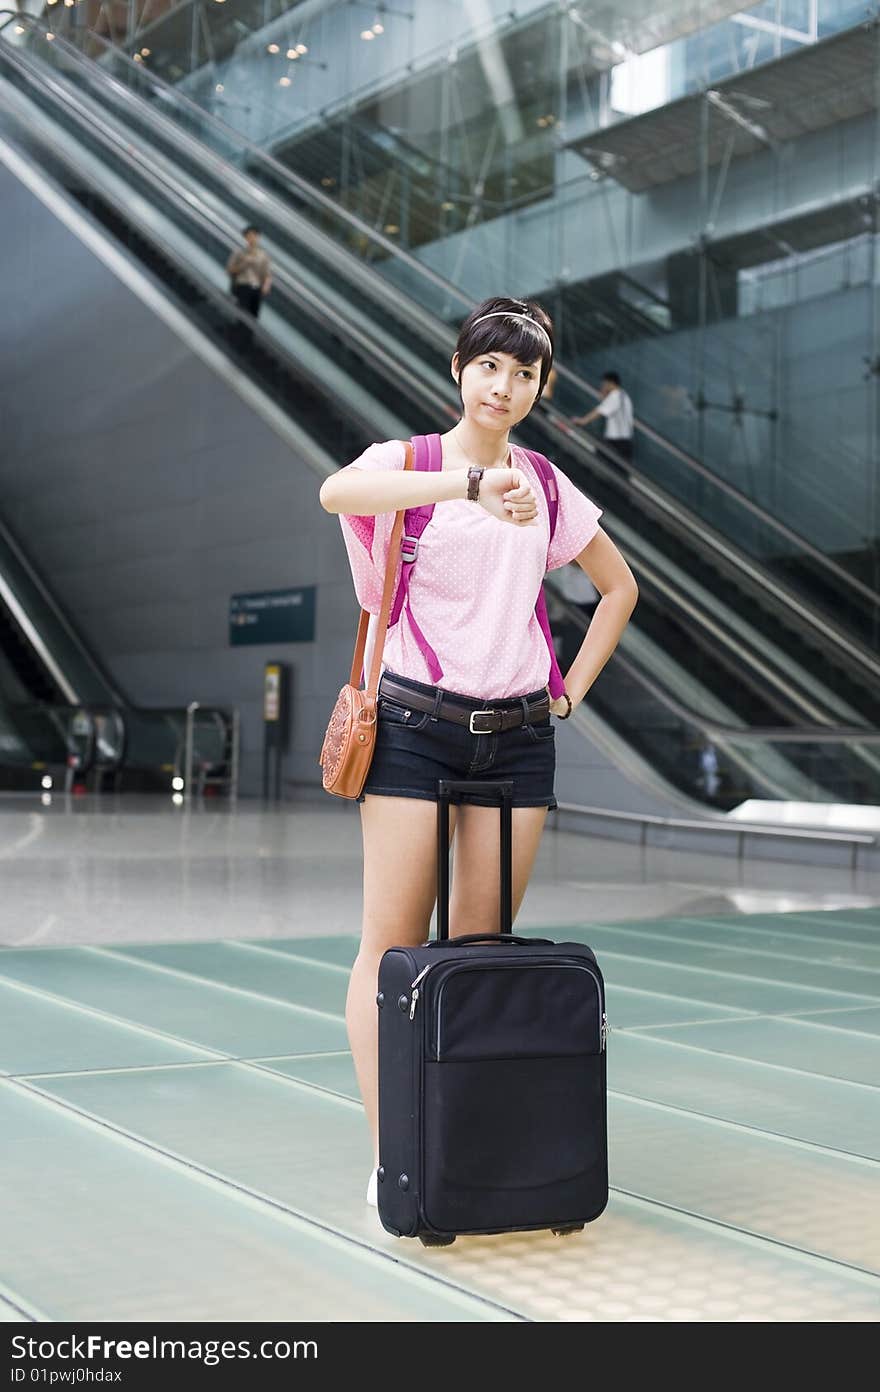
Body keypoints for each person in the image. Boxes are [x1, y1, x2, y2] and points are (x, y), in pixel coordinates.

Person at [319, 295, 639, 1209]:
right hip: (414, 732)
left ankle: (460, 1145)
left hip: (516, 744)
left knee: (475, 956)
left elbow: (618, 589)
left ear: (542, 387)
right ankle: (398, 1157)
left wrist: (567, 688)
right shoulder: (409, 463)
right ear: (459, 370)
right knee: (390, 951)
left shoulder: (545, 480)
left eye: (525, 372)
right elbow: (336, 492)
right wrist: (462, 486)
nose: (504, 386)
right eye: (489, 366)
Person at [571, 370, 634, 472]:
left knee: (600, 463)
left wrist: (582, 421)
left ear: (610, 383)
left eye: (604, 384)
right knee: (621, 471)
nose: (603, 386)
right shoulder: (624, 396)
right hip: (626, 442)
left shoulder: (615, 395)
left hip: (615, 442)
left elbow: (600, 410)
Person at [226, 224, 272, 319]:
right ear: (245, 237)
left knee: (253, 315)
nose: (252, 238)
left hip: (256, 288)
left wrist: (266, 286)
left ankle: (248, 333)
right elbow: (230, 270)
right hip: (242, 286)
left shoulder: (263, 255)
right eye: (249, 236)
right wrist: (244, 264)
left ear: (258, 237)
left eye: (255, 235)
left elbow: (267, 273)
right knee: (241, 314)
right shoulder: (239, 252)